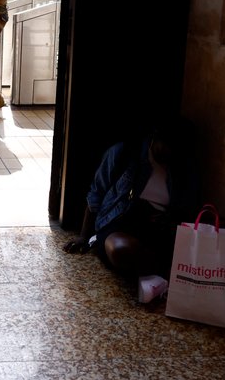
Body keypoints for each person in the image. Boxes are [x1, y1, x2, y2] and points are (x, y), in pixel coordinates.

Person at [61, 117, 202, 301]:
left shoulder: (182, 166)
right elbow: (97, 192)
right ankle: (159, 274)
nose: (169, 154)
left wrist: (172, 221)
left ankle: (154, 275)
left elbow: (186, 207)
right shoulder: (125, 152)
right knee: (121, 249)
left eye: (175, 150)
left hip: (161, 226)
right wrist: (83, 235)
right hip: (120, 221)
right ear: (155, 137)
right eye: (165, 147)